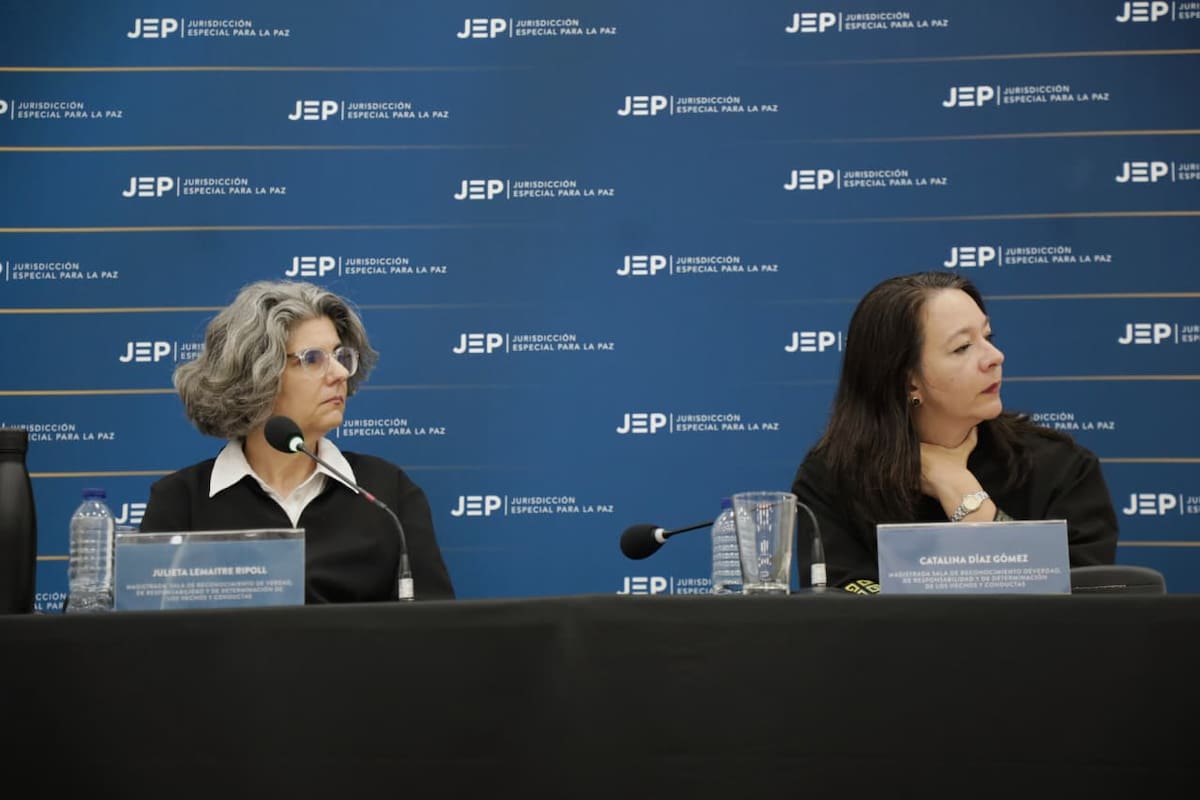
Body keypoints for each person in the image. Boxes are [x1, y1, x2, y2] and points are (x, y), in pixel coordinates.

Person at [791, 271, 1118, 593]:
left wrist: (963, 494)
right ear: (909, 381)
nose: (995, 357)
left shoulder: (1062, 468)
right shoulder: (831, 478)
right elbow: (842, 617)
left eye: (987, 338)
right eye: (962, 347)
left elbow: (1075, 618)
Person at [140, 280, 455, 602]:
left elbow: (434, 632)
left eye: (340, 355)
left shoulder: (387, 492)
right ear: (258, 373)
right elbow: (155, 638)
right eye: (314, 359)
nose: (340, 374)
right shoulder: (181, 502)